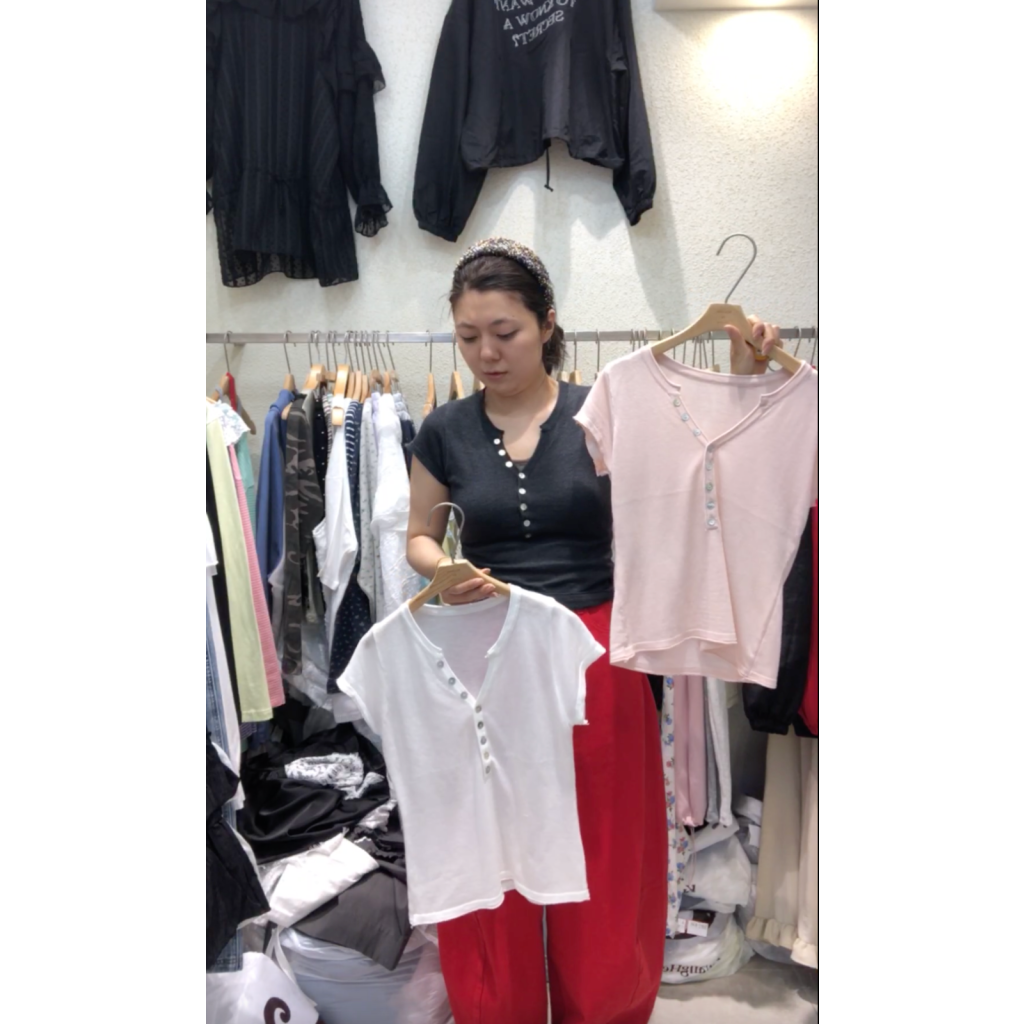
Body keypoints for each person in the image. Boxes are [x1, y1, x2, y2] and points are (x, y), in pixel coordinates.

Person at [405, 237, 783, 1024]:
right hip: (485, 650)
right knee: (492, 847)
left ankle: (605, 1007)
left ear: (547, 324)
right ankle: (497, 1009)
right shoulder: (443, 429)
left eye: (503, 332)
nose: (485, 353)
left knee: (604, 846)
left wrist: (746, 370)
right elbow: (418, 536)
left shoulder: (606, 408)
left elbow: (708, 469)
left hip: (598, 651)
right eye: (468, 336)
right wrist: (442, 568)